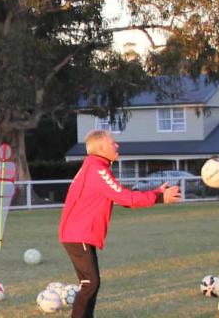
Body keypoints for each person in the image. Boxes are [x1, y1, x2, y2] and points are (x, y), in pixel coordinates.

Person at [58, 130, 181, 318]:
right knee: (90, 283)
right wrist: (160, 197)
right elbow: (126, 198)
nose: (117, 146)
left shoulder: (95, 167)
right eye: (113, 143)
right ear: (100, 148)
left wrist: (156, 193)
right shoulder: (97, 169)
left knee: (90, 283)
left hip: (78, 233)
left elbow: (123, 198)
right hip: (78, 234)